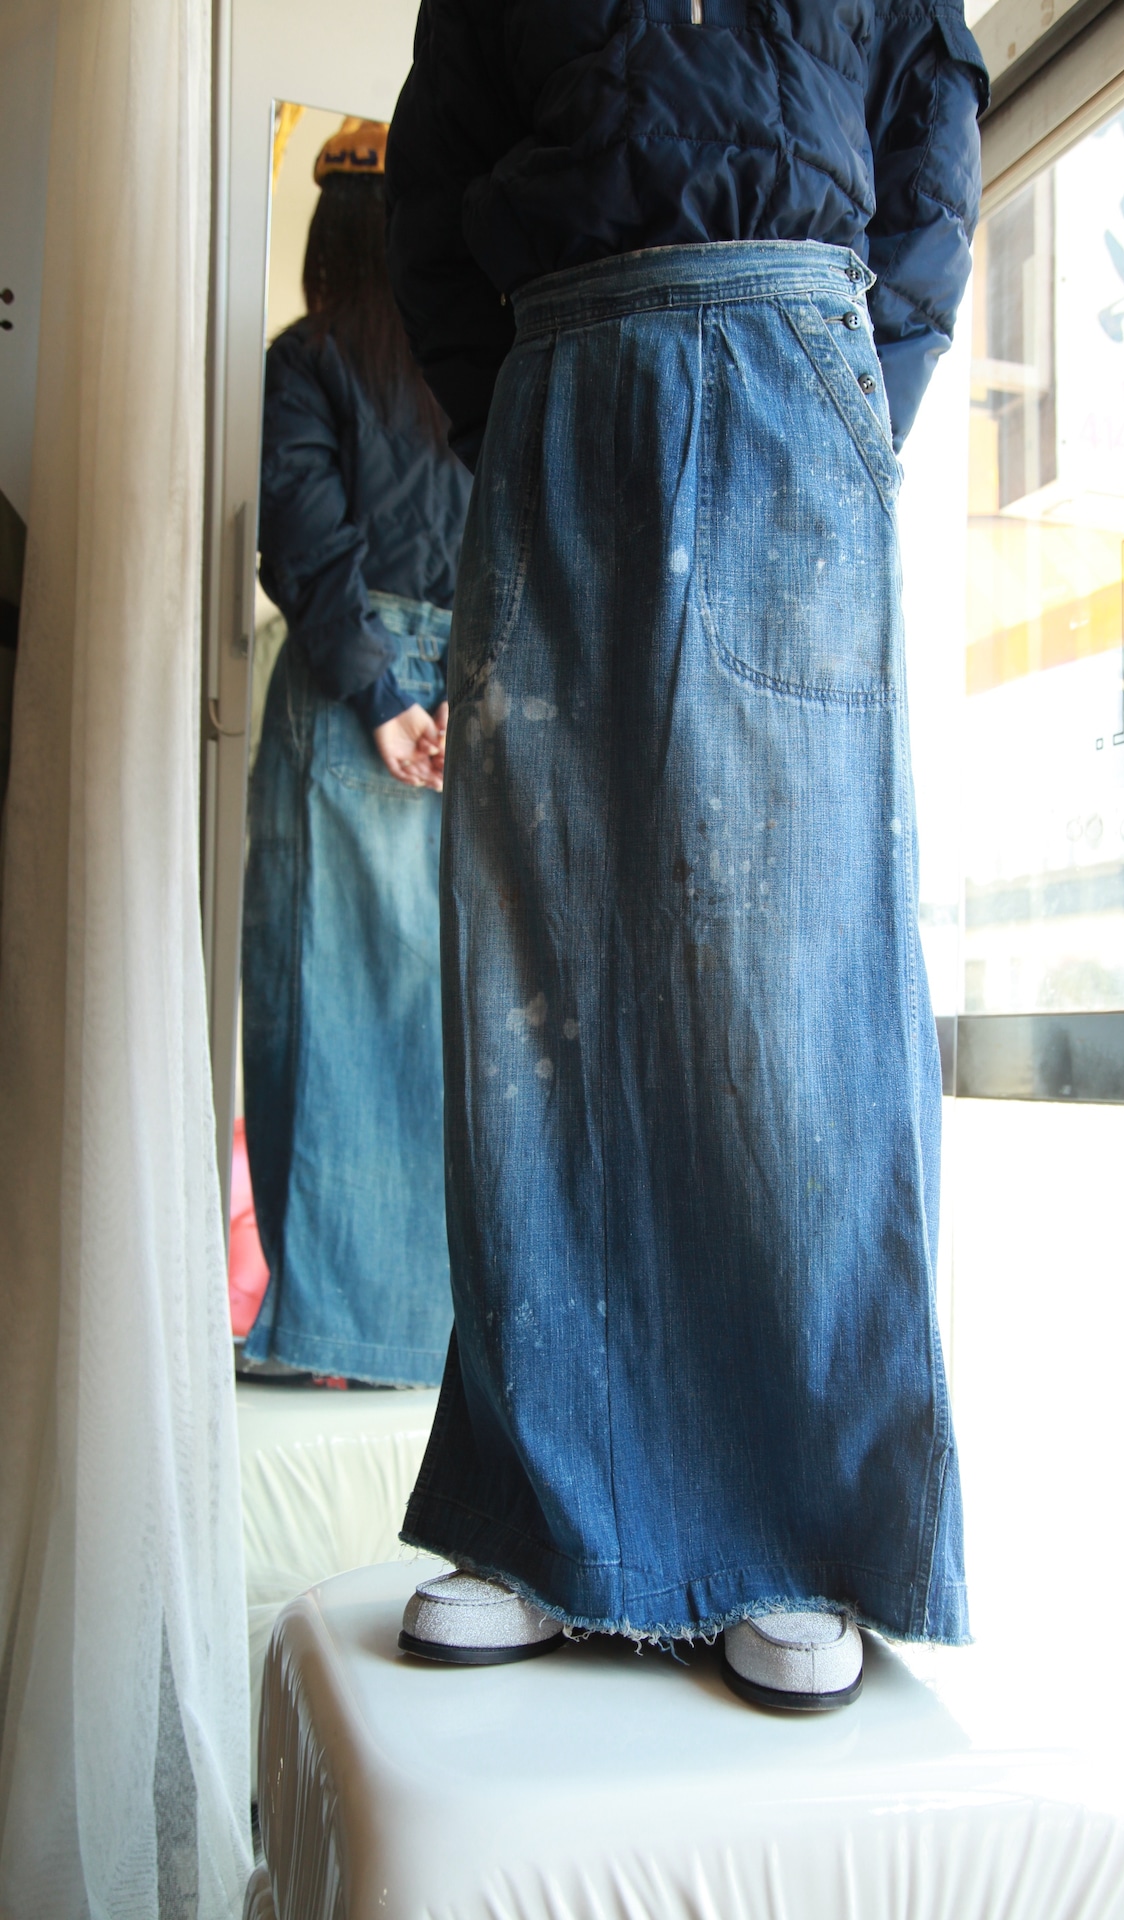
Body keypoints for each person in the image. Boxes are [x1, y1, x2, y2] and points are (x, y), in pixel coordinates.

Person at [386, 1, 987, 1708]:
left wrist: (852, 396)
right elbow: (434, 181)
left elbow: (930, 140)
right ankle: (542, 1520)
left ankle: (802, 1533)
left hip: (793, 367)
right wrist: (516, 409)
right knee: (541, 971)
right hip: (558, 387)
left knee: (796, 982)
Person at [241, 119, 472, 1388]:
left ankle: (328, 1335)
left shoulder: (308, 358)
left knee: (311, 1003)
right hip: (470, 706)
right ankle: (426, 1333)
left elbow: (302, 533)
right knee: (438, 1020)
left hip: (349, 696)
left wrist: (379, 692)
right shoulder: (474, 370)